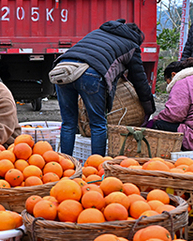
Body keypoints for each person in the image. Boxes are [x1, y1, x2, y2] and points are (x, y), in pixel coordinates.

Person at [49, 19, 155, 156]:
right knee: (98, 124)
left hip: (63, 69)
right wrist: (149, 108)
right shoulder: (131, 45)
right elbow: (139, 80)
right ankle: (95, 167)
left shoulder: (99, 32)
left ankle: (64, 165)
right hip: (90, 73)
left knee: (68, 123)